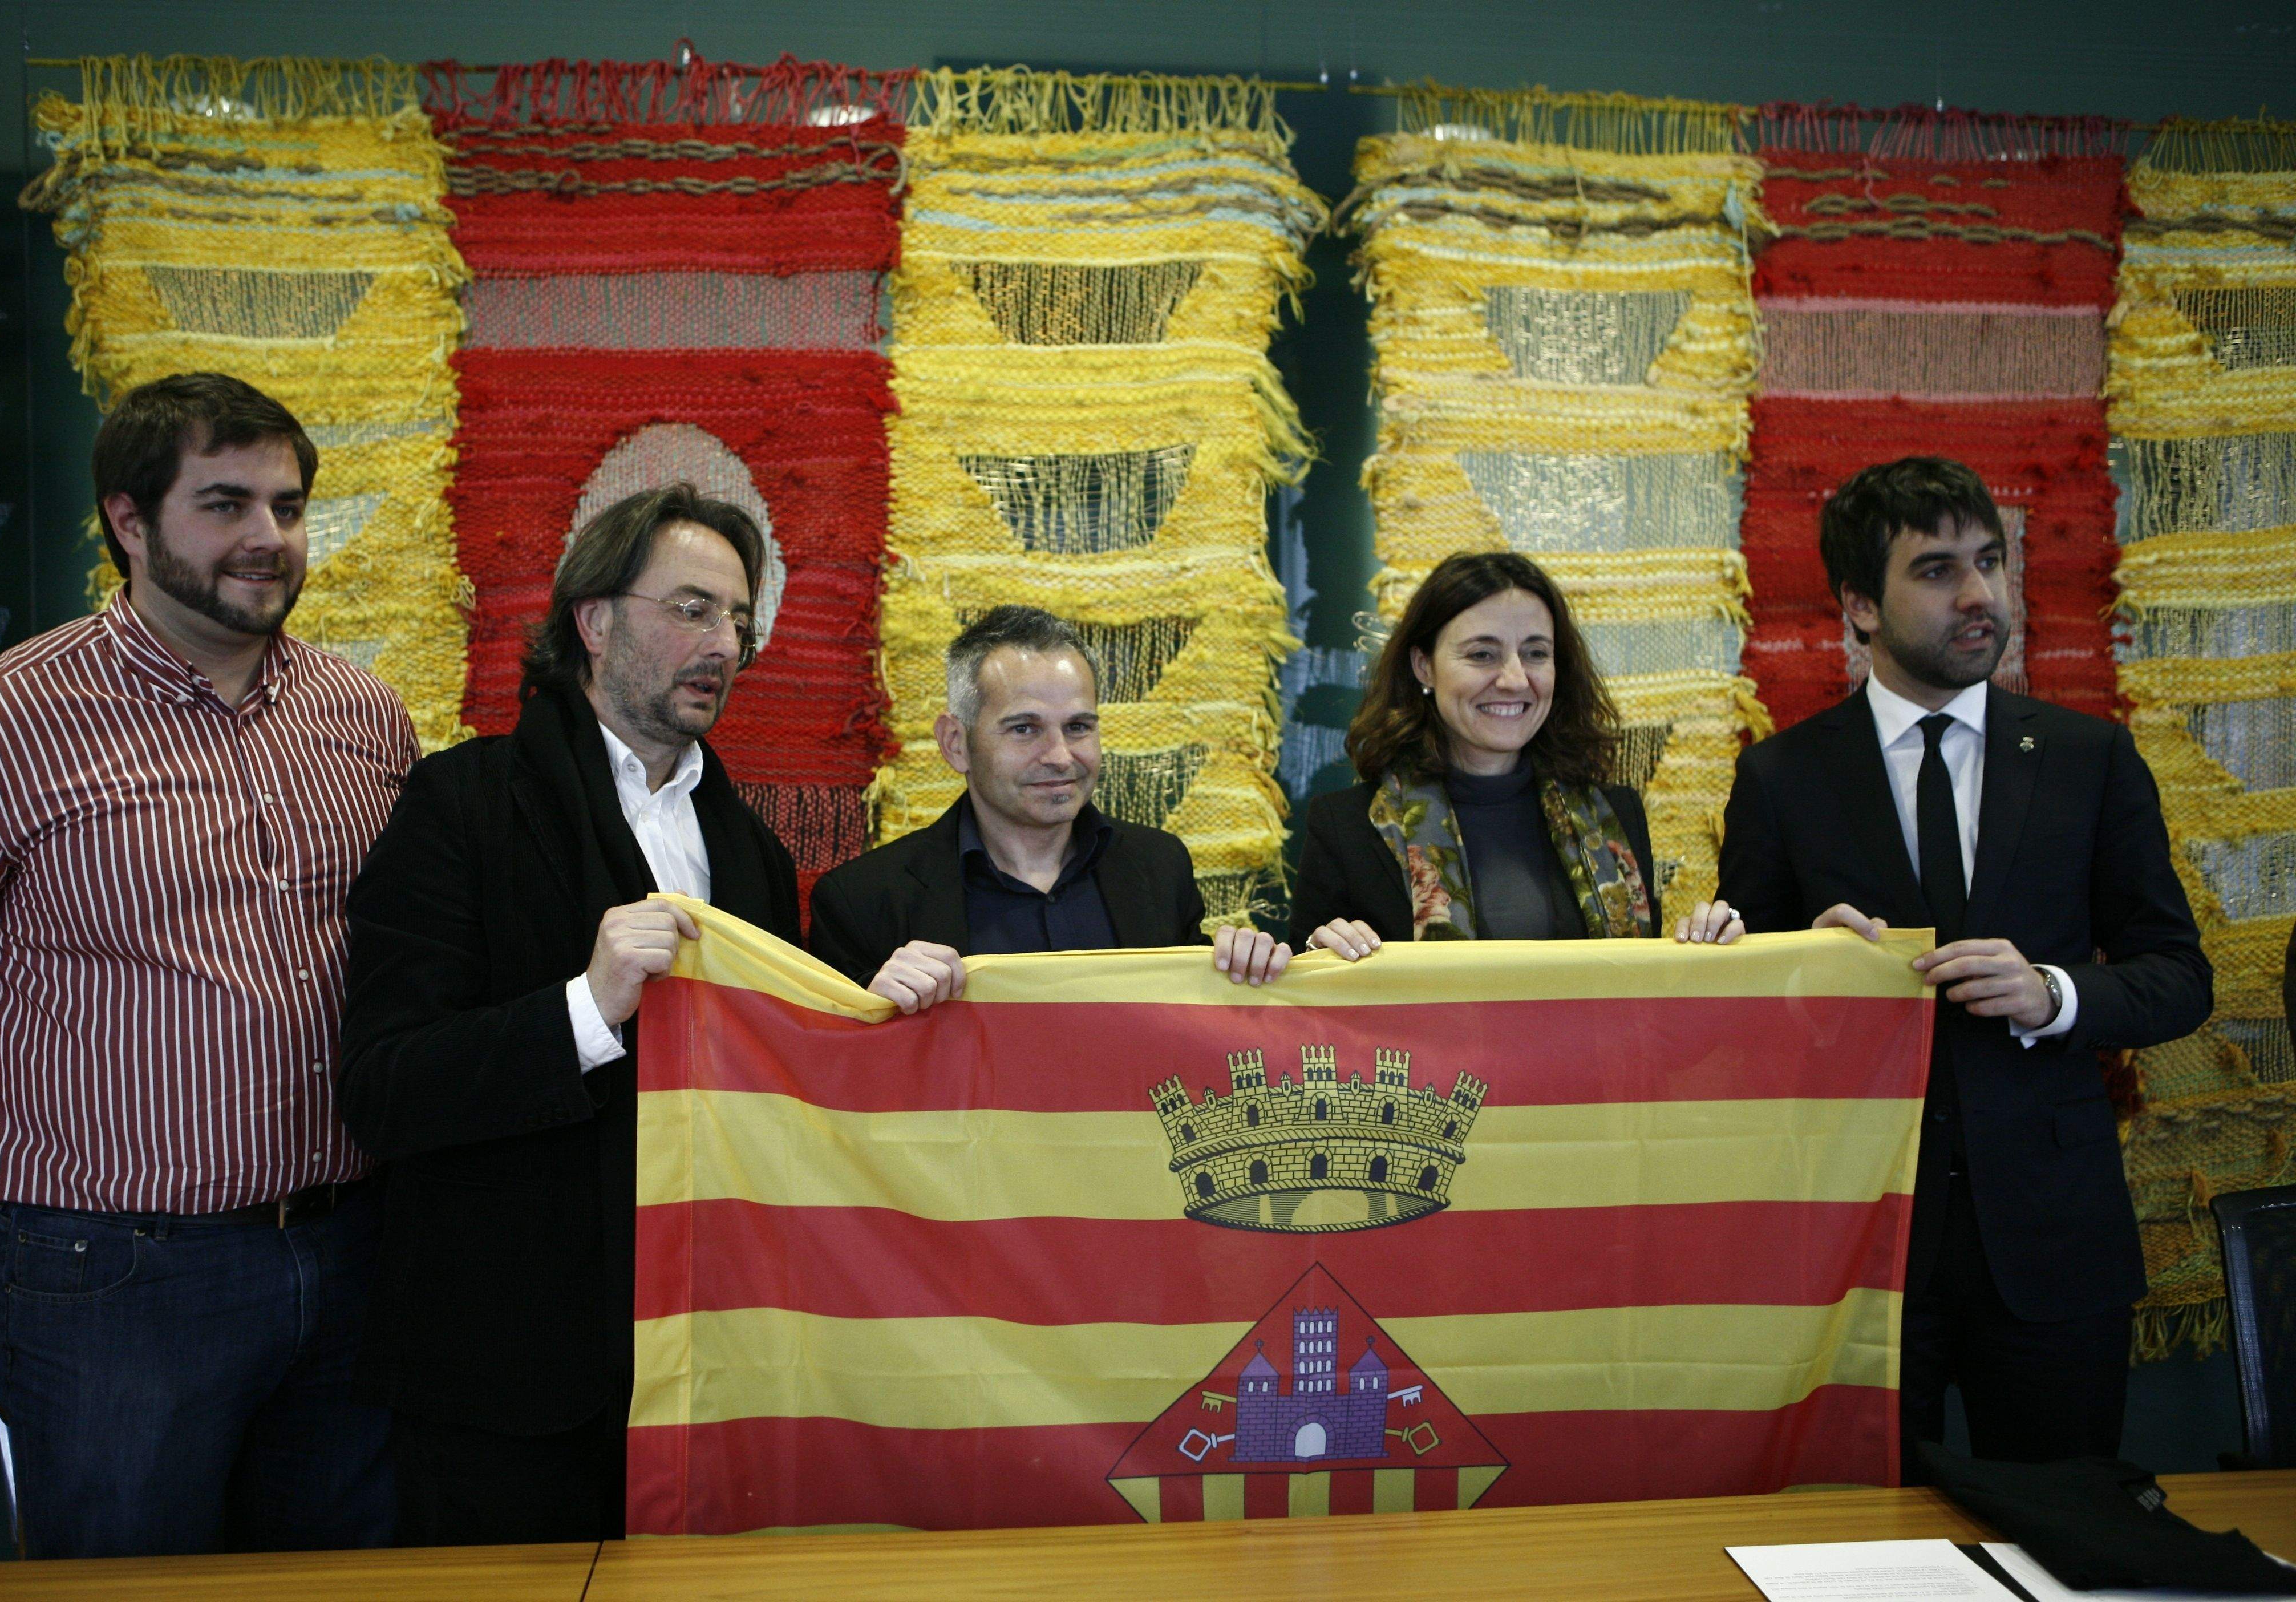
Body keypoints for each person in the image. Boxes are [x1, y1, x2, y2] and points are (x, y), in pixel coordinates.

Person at [0, 373, 415, 1558]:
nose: (268, 541)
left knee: (345, 1586)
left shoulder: (361, 714)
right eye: (224, 504)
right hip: (108, 1282)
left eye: (288, 508)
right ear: (128, 522)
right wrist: (43, 1134)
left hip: (349, 1253)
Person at [1682, 456, 2210, 1467]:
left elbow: (2178, 976)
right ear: (1858, 608)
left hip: (2053, 1246)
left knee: (2070, 1540)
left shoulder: (2086, 757)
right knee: (1857, 1548)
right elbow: (1740, 1027)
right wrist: (1804, 975)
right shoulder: (1780, 777)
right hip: (1856, 1253)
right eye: (1935, 570)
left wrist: (2051, 993)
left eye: (1989, 561)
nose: (1978, 595)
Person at [337, 482, 797, 1546]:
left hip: (700, 1377)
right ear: (592, 620)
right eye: (690, 607)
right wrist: (585, 1008)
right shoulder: (459, 807)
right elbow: (382, 1088)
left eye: (737, 618)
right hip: (505, 1391)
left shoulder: (755, 855)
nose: (722, 642)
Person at [809, 605, 1289, 1009]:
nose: (1061, 756)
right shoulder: (862, 903)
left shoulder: (1160, 868)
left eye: (1079, 727)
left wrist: (1251, 971)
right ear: (956, 744)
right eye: (1025, 729)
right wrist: (872, 1014)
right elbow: (829, 1085)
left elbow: (1198, 1034)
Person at [1290, 551, 1657, 958]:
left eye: (1536, 653)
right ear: (1423, 666)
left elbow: (1651, 988)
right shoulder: (1346, 829)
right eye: (1483, 654)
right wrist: (1315, 952)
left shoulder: (1619, 817)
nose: (1515, 679)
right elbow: (1308, 1000)